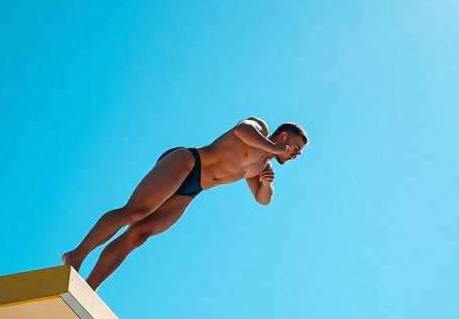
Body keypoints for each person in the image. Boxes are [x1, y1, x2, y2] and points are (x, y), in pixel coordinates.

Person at [62, 117, 308, 290]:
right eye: (295, 147)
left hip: (192, 190)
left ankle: (89, 288)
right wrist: (273, 146)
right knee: (137, 212)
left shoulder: (261, 168)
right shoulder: (260, 128)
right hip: (186, 162)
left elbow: (263, 200)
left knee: (139, 235)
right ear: (283, 135)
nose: (295, 154)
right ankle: (76, 255)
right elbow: (241, 131)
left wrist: (265, 184)